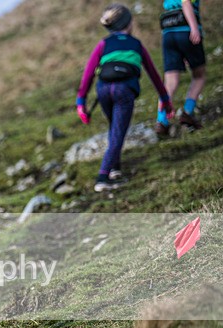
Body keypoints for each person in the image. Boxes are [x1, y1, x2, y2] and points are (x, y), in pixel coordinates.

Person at [76, 4, 173, 192]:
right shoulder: (136, 45)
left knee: (114, 127)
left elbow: (88, 74)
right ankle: (103, 177)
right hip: (124, 91)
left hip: (103, 90)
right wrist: (165, 100)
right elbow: (153, 74)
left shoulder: (103, 44)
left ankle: (115, 169)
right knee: (118, 132)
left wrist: (81, 101)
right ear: (129, 24)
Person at [155, 0, 206, 134]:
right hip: (186, 27)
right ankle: (188, 112)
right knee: (199, 75)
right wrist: (194, 27)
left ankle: (161, 120)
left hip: (168, 32)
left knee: (170, 80)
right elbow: (186, 2)